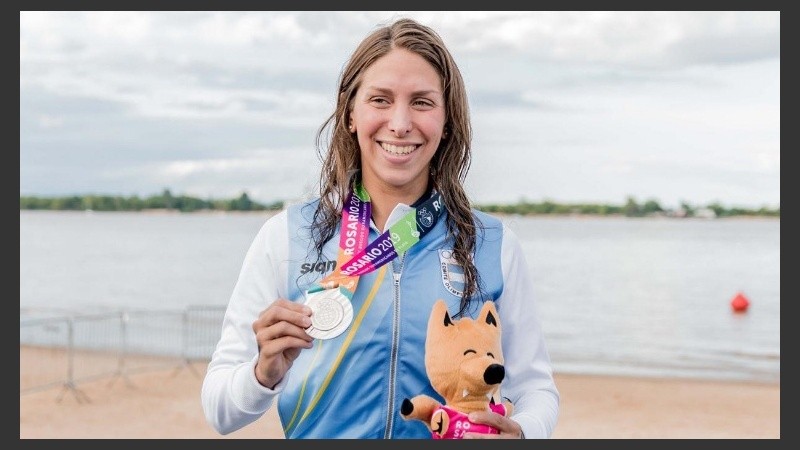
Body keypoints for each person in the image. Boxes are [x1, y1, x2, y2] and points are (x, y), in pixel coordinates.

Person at [201, 17, 559, 439]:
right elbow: (220, 411)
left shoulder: (493, 245)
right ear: (350, 112)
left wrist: (523, 433)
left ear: (446, 122)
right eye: (381, 99)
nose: (401, 122)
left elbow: (536, 388)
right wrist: (263, 374)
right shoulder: (285, 237)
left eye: (422, 102)